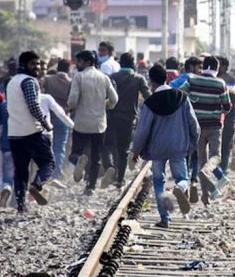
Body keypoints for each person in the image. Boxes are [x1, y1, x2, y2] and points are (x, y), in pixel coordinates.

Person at [131, 64, 200, 228]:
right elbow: (194, 125)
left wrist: (136, 151)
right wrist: (191, 145)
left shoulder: (150, 102)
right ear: (166, 78)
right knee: (183, 179)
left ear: (151, 82)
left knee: (158, 181)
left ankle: (165, 218)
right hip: (178, 146)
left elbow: (142, 131)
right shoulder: (182, 97)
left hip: (157, 149)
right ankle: (178, 189)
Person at [6, 51, 55, 212]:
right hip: (32, 131)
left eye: (38, 64)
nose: (37, 67)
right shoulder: (29, 81)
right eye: (33, 64)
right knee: (48, 162)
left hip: (14, 132)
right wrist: (45, 123)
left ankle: (21, 204)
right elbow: (33, 105)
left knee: (20, 171)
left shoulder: (12, 81)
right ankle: (36, 185)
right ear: (24, 65)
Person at [179, 56, 232, 204]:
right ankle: (208, 185)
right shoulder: (220, 83)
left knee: (202, 160)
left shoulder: (192, 80)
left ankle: (206, 197)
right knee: (215, 157)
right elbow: (227, 107)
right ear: (216, 68)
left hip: (197, 127)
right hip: (214, 126)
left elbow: (180, 94)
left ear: (203, 67)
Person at [67, 50, 119, 195]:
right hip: (99, 124)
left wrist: (71, 107)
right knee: (96, 157)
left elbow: (72, 101)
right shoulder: (104, 78)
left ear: (88, 62)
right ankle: (90, 187)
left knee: (75, 152)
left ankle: (78, 160)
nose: (78, 65)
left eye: (80, 61)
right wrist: (105, 105)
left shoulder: (79, 77)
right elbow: (114, 100)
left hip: (81, 123)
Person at [104, 52, 151, 188]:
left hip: (112, 116)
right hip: (129, 118)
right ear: (133, 64)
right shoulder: (138, 79)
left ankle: (111, 167)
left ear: (120, 64)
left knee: (109, 146)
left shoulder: (113, 77)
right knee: (123, 149)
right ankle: (120, 179)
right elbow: (148, 97)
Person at [40, 59, 72, 181]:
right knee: (60, 147)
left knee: (47, 146)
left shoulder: (48, 79)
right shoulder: (71, 83)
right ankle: (56, 175)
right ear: (68, 70)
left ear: (58, 67)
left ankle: (45, 173)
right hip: (63, 117)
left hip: (48, 118)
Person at [217, 56, 235, 174]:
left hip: (216, 117)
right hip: (231, 117)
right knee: (226, 144)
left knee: (214, 145)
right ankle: (224, 169)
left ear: (224, 66)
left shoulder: (216, 79)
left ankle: (214, 169)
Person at [0, 93, 11, 207]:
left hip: (3, 144)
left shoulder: (2, 108)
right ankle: (8, 188)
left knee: (0, 173)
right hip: (17, 144)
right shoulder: (20, 106)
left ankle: (4, 188)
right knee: (12, 173)